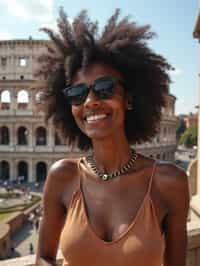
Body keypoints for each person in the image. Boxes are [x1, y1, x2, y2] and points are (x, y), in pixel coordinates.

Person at [35, 8, 189, 266]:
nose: (91, 101)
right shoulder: (62, 176)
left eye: (104, 88)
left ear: (129, 99)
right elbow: (44, 256)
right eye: (77, 94)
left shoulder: (169, 181)